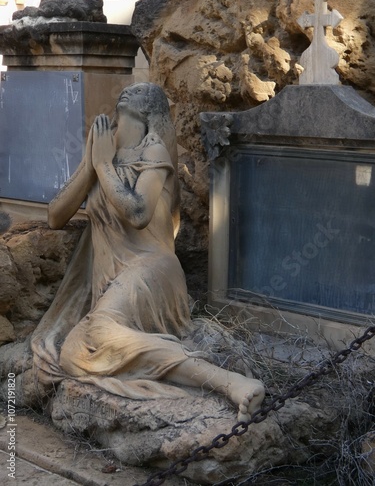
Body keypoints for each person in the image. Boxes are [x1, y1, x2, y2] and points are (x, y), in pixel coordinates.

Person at [31, 82, 265, 422]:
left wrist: (104, 166)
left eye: (138, 95)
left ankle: (231, 383)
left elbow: (138, 213)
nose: (126, 95)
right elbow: (55, 216)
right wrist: (93, 161)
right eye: (124, 94)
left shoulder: (152, 151)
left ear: (151, 112)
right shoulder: (103, 150)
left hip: (151, 269)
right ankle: (173, 367)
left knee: (97, 334)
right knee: (72, 353)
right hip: (113, 280)